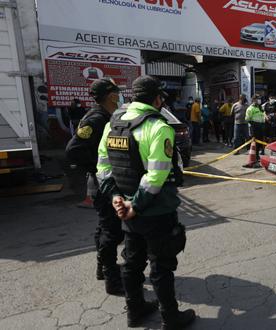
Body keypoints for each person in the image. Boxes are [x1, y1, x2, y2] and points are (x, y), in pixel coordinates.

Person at [96, 75, 195, 328]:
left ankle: (135, 310)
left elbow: (103, 167)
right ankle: (170, 318)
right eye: (161, 97)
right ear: (157, 99)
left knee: (132, 261)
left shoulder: (113, 124)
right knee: (161, 265)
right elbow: (157, 174)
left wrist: (116, 197)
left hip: (126, 209)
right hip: (154, 210)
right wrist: (134, 205)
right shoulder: (158, 127)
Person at [65, 79, 124, 296]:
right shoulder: (97, 118)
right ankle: (112, 279)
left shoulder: (106, 116)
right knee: (112, 231)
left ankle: (103, 268)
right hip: (103, 184)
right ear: (111, 95)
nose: (119, 95)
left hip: (103, 182)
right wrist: (98, 168)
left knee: (104, 228)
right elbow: (73, 151)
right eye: (117, 92)